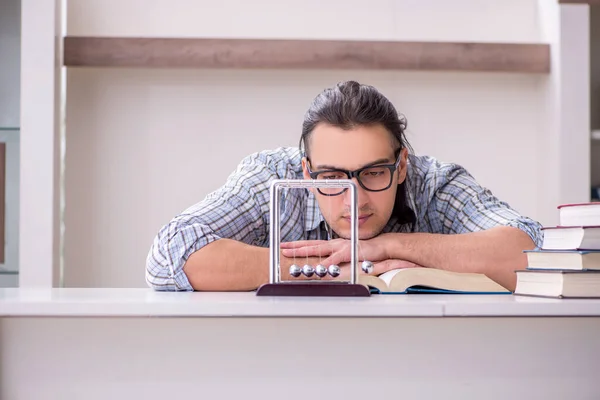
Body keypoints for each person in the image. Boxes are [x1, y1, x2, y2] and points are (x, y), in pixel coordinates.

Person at [145, 80, 542, 292]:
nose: (357, 198)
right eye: (333, 177)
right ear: (305, 171)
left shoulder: (435, 182)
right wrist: (331, 268)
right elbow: (168, 256)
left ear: (402, 164)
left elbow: (534, 253)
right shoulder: (271, 177)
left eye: (373, 173)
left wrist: (387, 246)